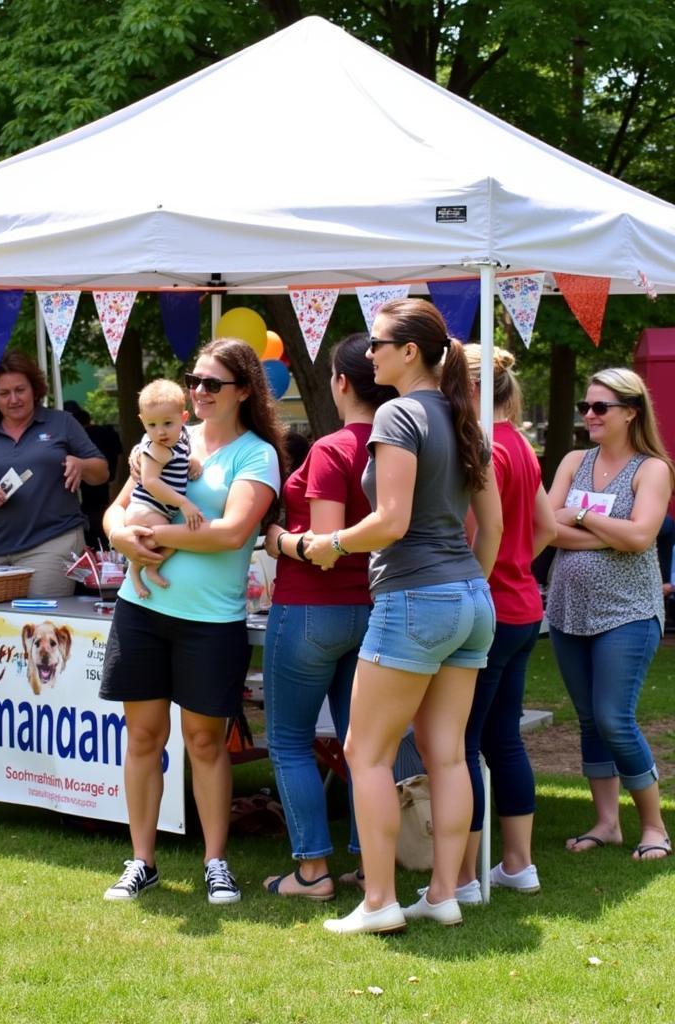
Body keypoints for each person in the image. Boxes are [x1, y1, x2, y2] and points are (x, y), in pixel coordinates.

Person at [307, 298, 502, 935]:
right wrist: (464, 581)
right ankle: (445, 893)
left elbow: (390, 521)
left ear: (409, 352)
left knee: (365, 751)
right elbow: (493, 528)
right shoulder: (463, 414)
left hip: (416, 598)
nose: (370, 354)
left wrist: (328, 544)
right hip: (472, 601)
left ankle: (380, 902)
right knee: (447, 755)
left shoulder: (398, 412)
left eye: (380, 343)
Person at [99, 338, 284, 905]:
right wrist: (116, 533)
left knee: (205, 743)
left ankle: (215, 862)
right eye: (194, 381)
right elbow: (118, 504)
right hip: (142, 610)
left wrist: (150, 536)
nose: (198, 392)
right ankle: (142, 861)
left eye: (212, 384)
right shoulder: (164, 434)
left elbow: (232, 533)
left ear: (244, 391)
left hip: (211, 622)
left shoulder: (257, 455)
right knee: (143, 738)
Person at [260, 333, 396, 901]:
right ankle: (370, 866)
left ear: (341, 382)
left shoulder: (335, 447)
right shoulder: (402, 442)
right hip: (374, 607)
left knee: (290, 741)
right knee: (363, 746)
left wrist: (277, 542)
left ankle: (312, 870)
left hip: (313, 608)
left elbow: (323, 543)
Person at [546, 367, 673, 861]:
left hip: (628, 613)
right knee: (587, 720)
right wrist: (609, 531)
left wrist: (578, 516)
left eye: (600, 407)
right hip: (567, 609)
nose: (590, 415)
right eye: (585, 406)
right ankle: (606, 823)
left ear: (631, 411)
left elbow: (641, 537)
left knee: (614, 718)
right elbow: (545, 526)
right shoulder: (574, 460)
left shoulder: (652, 468)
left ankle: (654, 827)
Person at [454, 344, 556, 899]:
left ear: (469, 389)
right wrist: (515, 564)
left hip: (488, 610)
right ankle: (518, 864)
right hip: (522, 609)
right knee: (503, 740)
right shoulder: (521, 444)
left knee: (462, 744)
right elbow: (546, 528)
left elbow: (476, 532)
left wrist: (479, 580)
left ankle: (466, 876)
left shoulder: (482, 447)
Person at [0, 352, 108, 597]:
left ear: (35, 389)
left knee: (41, 625)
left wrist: (81, 465)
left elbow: (102, 472)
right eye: (4, 393)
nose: (13, 399)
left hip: (51, 542)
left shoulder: (62, 423)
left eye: (20, 390)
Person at [124, 378, 203, 598]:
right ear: (143, 422)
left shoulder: (183, 437)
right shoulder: (156, 448)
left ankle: (142, 571)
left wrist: (193, 459)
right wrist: (183, 503)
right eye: (152, 425)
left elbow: (187, 449)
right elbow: (150, 481)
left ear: (183, 419)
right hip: (145, 509)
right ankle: (144, 570)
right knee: (169, 540)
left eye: (167, 423)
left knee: (169, 542)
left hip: (158, 510)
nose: (160, 432)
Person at [64, 400, 122, 550]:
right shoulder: (108, 432)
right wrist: (116, 480)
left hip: (88, 489)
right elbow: (120, 455)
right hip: (110, 484)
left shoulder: (78, 438)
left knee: (93, 516)